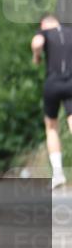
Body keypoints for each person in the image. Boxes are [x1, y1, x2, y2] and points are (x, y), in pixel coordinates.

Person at [31, 13, 72, 189]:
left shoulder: (44, 32)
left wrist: (36, 56)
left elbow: (37, 43)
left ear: (44, 23)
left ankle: (58, 174)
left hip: (53, 84)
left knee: (51, 127)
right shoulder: (70, 31)